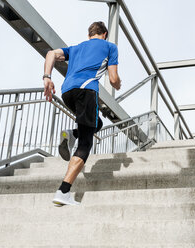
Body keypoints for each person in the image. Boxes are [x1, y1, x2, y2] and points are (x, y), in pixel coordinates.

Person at [42, 21, 121, 205]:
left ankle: (72, 134)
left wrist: (47, 77)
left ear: (89, 35)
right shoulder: (110, 46)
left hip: (67, 92)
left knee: (97, 124)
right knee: (85, 143)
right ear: (105, 34)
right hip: (86, 90)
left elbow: (51, 53)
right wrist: (118, 83)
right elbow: (113, 78)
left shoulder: (76, 48)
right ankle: (63, 191)